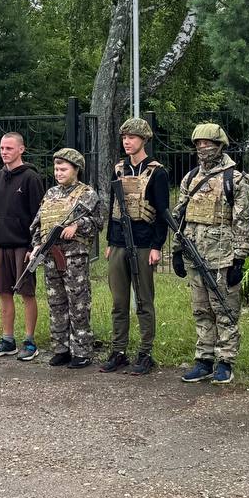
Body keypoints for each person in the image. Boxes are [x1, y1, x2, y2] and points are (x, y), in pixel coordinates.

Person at [175, 124, 249, 386]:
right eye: (198, 144)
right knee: (201, 310)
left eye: (208, 143)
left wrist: (240, 258)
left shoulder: (234, 179)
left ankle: (225, 362)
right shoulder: (190, 178)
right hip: (194, 254)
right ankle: (204, 359)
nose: (203, 148)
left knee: (225, 310)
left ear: (220, 145)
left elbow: (243, 220)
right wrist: (176, 250)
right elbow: (179, 216)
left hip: (223, 257)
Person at [102, 117, 170, 376]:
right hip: (119, 243)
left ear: (144, 139)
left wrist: (157, 246)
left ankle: (145, 353)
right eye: (124, 138)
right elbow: (113, 207)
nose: (127, 142)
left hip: (143, 244)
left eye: (131, 137)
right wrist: (110, 241)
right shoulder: (119, 170)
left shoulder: (157, 172)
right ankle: (118, 350)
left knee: (143, 301)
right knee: (119, 302)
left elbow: (163, 212)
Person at [30, 149, 104, 368]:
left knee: (78, 304)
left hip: (74, 257)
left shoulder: (86, 194)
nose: (58, 173)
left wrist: (78, 225)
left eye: (63, 169)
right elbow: (38, 223)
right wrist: (36, 245)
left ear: (76, 170)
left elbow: (97, 222)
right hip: (51, 256)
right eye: (56, 169)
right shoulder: (51, 194)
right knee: (56, 303)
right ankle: (61, 348)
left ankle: (82, 351)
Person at [0, 132, 46, 360]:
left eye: (9, 148)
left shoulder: (31, 178)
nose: (4, 152)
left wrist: (34, 246)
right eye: (2, 148)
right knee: (4, 293)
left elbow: (38, 215)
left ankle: (29, 342)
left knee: (27, 293)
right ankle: (7, 340)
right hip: (1, 245)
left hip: (23, 246)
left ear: (21, 149)